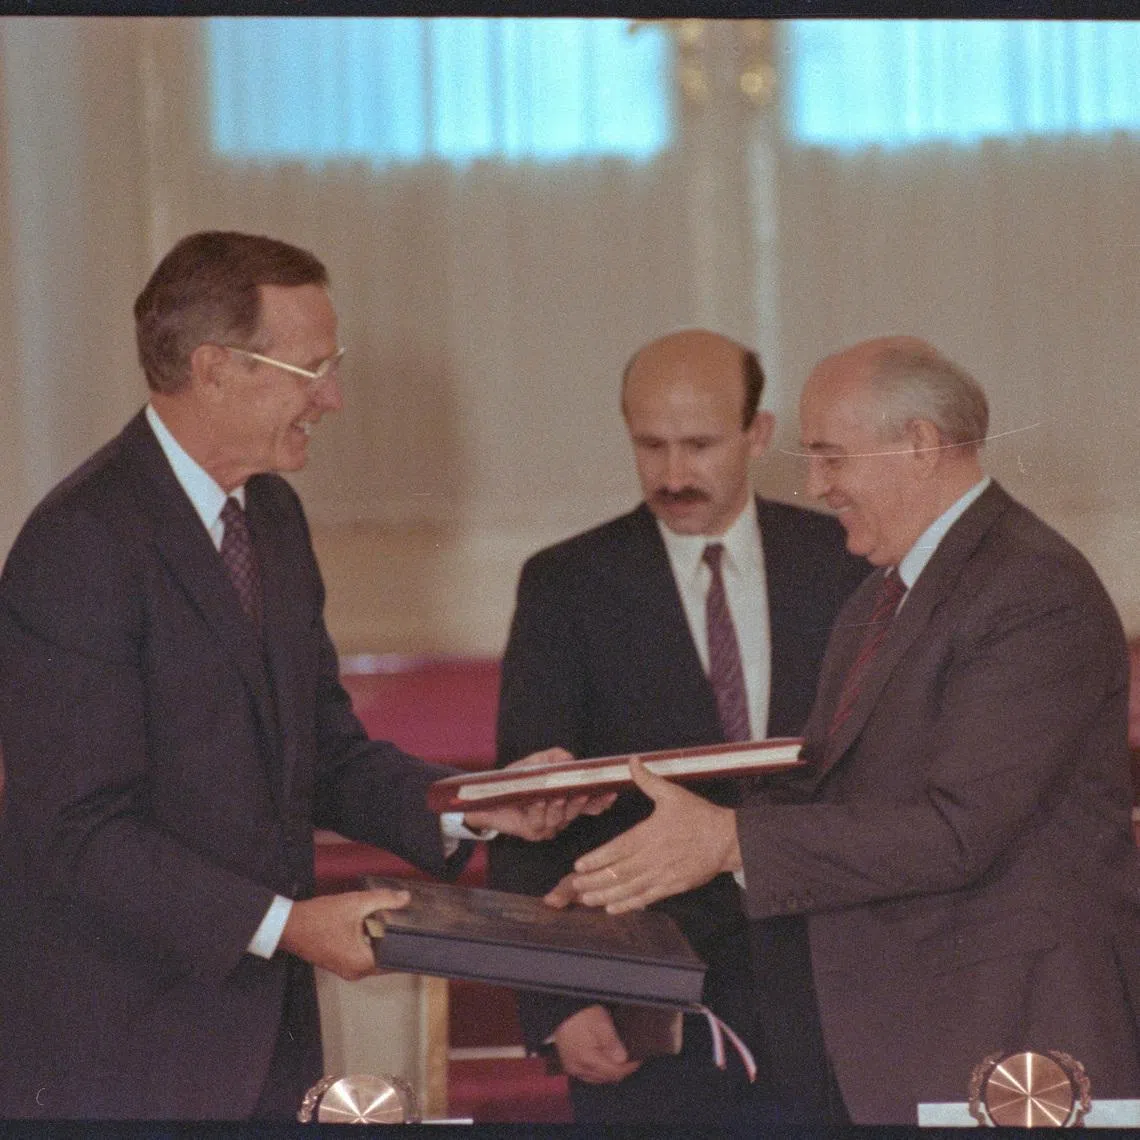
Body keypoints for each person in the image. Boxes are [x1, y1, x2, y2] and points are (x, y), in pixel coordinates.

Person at [0, 231, 609, 1121]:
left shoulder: (272, 516)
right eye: (309, 369)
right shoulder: (80, 546)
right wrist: (289, 926)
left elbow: (322, 752)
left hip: (259, 1037)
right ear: (214, 369)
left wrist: (476, 802)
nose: (333, 397)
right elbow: (78, 833)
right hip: (121, 1045)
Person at [551, 335, 1140, 1123]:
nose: (814, 484)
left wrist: (728, 841)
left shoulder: (1031, 589)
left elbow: (958, 830)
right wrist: (639, 853)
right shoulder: (880, 596)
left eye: (832, 458)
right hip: (911, 1032)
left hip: (1014, 1037)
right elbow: (831, 791)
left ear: (921, 445)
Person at [488, 329, 868, 1125]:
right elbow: (527, 810)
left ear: (758, 434)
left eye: (698, 445)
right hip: (650, 1011)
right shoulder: (566, 585)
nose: (673, 474)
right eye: (650, 446)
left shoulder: (847, 562)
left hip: (838, 997)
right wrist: (555, 1002)